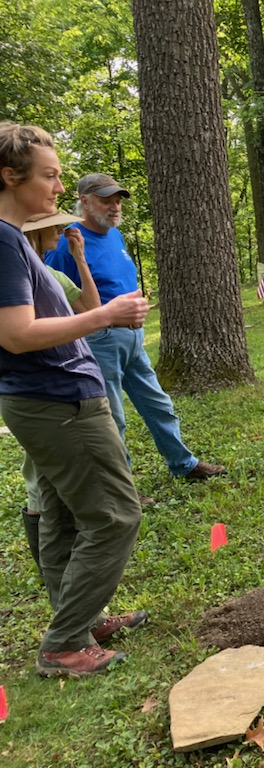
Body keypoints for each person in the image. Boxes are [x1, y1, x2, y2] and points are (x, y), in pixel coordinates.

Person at [0, 122, 150, 676]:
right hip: (56, 401)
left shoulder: (13, 237)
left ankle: (80, 619)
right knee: (115, 517)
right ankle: (65, 643)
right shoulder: (1, 239)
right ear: (8, 176)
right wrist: (106, 315)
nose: (59, 186)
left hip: (53, 396)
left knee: (64, 517)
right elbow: (15, 335)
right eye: (50, 175)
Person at [45, 173, 226, 483]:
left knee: (158, 404)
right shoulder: (68, 242)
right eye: (106, 199)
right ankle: (121, 485)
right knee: (113, 418)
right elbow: (55, 293)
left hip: (132, 339)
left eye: (117, 199)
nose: (115, 206)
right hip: (99, 341)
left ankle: (183, 463)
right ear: (84, 201)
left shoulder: (115, 235)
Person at [17, 211, 99, 573]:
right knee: (40, 478)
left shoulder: (55, 275)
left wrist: (80, 259)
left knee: (47, 478)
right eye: (53, 225)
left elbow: (90, 306)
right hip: (40, 390)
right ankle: (53, 571)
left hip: (60, 385)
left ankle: (58, 575)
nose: (60, 231)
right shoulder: (19, 275)